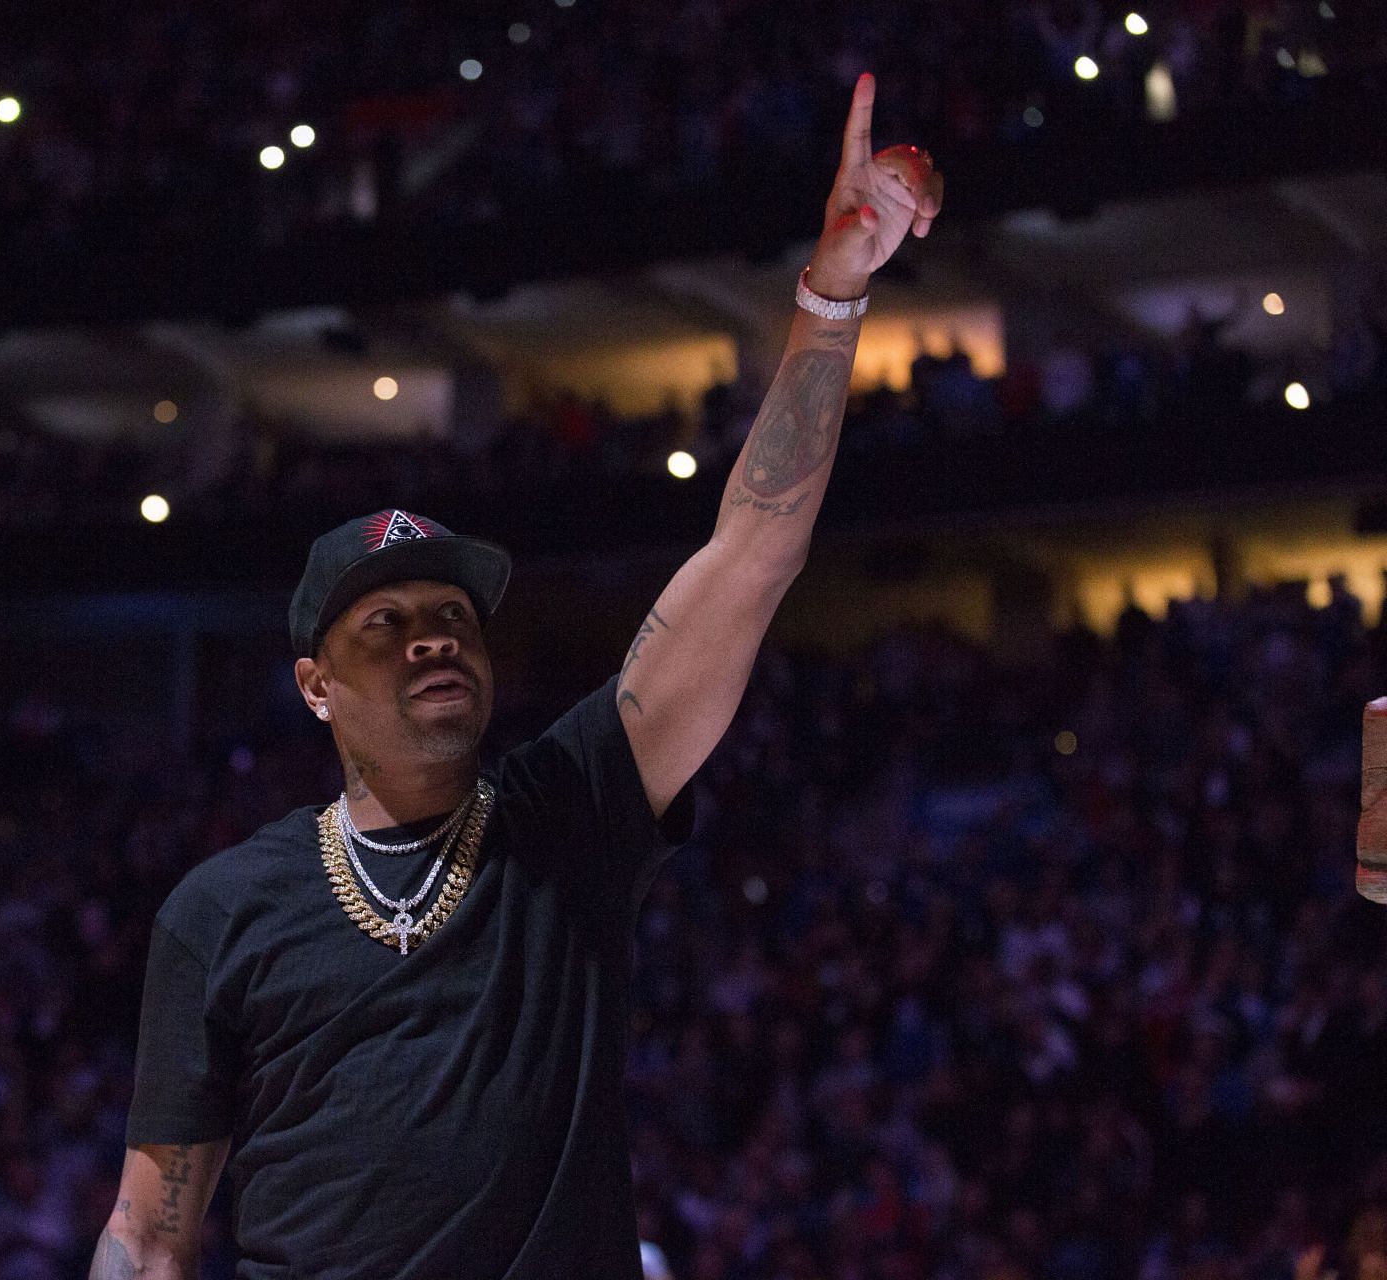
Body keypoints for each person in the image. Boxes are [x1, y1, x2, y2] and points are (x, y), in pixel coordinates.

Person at [91, 72, 943, 1280]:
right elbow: (148, 1231)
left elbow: (750, 555)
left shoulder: (574, 805)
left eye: (450, 613)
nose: (432, 634)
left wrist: (835, 294)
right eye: (384, 624)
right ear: (313, 684)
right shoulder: (220, 909)